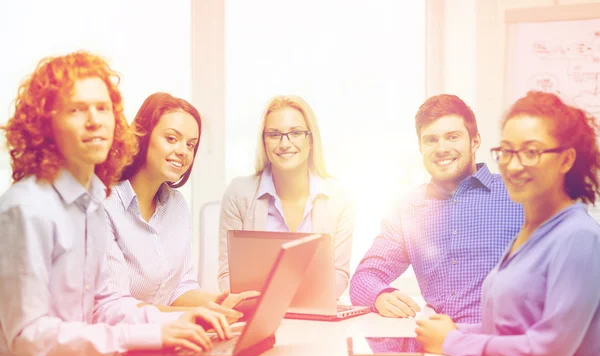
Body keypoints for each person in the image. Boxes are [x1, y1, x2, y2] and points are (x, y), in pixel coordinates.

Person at [0, 52, 231, 356]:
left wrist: (174, 323)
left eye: (103, 108)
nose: (95, 120)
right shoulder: (25, 209)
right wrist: (135, 337)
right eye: (77, 109)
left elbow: (105, 303)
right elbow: (25, 335)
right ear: (44, 123)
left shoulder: (90, 199)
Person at [415, 91, 600, 356]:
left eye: (531, 152)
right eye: (508, 152)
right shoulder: (531, 232)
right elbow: (507, 332)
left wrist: (451, 342)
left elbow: (547, 351)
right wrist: (454, 332)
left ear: (566, 160)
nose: (513, 166)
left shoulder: (579, 238)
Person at [350, 94, 523, 323]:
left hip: (502, 347)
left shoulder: (519, 196)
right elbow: (363, 279)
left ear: (475, 141)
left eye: (452, 137)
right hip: (436, 348)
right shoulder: (407, 208)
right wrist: (381, 296)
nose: (441, 148)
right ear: (420, 147)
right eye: (431, 140)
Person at [105, 92, 257, 315]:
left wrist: (222, 302)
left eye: (191, 145)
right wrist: (191, 316)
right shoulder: (105, 204)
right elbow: (116, 307)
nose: (183, 151)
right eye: (171, 139)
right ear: (143, 137)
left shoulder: (177, 206)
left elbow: (179, 289)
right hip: (121, 341)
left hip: (170, 336)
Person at [217, 95, 354, 297]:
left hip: (315, 318)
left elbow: (339, 274)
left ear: (311, 139)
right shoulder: (239, 193)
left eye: (296, 133)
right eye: (274, 134)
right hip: (254, 313)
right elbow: (227, 275)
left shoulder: (340, 198)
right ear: (263, 142)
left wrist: (304, 304)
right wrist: (264, 308)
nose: (284, 144)